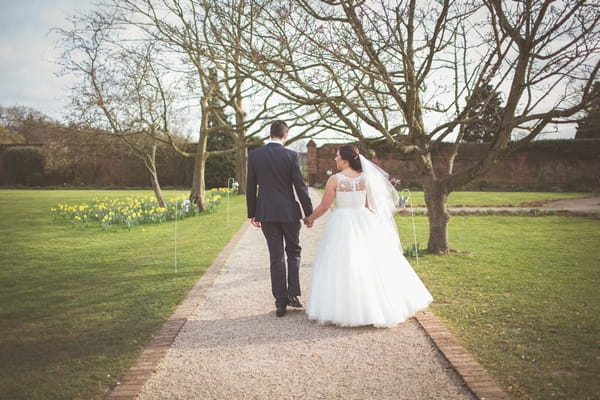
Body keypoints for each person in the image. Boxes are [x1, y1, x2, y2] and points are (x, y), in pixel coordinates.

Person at [304, 145, 433, 328]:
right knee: (369, 262)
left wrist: (310, 219)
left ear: (346, 159)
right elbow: (369, 204)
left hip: (342, 221)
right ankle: (375, 307)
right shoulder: (365, 178)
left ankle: (346, 309)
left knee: (342, 264)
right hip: (363, 219)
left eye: (338, 156)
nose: (335, 159)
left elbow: (324, 206)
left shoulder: (335, 179)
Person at [246, 120, 314, 317]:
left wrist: (253, 213)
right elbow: (300, 186)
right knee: (293, 252)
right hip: (289, 213)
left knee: (276, 257)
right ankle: (293, 294)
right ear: (286, 135)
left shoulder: (255, 155)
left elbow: (251, 186)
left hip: (266, 213)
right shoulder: (291, 155)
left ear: (270, 134)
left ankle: (280, 302)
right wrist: (308, 213)